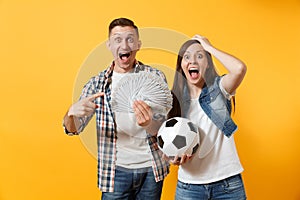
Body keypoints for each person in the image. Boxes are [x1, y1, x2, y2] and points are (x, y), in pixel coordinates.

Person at [62, 18, 169, 200]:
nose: (124, 44)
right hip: (115, 172)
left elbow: (164, 128)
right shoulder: (96, 84)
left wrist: (150, 123)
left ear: (138, 44)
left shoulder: (155, 77)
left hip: (152, 169)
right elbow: (72, 129)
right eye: (118, 39)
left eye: (130, 39)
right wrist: (71, 113)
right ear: (109, 45)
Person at [167, 35, 247, 200]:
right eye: (187, 57)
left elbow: (239, 68)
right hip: (189, 187)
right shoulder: (173, 99)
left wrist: (209, 47)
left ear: (208, 64)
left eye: (200, 56)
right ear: (181, 65)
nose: (193, 61)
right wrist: (170, 156)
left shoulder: (219, 89)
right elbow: (165, 140)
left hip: (228, 185)